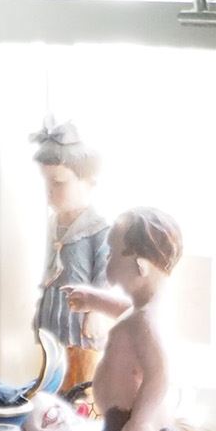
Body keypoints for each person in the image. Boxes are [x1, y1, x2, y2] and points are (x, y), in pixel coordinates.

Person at [71, 208, 184, 431]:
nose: (107, 260)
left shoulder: (145, 321)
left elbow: (159, 374)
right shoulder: (143, 313)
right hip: (130, 419)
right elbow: (126, 312)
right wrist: (94, 300)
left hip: (129, 422)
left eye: (112, 254)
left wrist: (141, 421)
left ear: (140, 266)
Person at [31, 120, 124, 401]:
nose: (50, 191)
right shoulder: (52, 225)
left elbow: (105, 274)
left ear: (89, 182)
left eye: (59, 183)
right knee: (51, 378)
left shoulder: (98, 229)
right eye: (46, 183)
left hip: (80, 322)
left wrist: (96, 311)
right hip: (53, 318)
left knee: (80, 382)